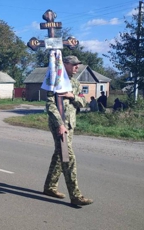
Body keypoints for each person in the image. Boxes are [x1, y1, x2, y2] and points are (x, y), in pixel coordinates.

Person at [43, 55, 93, 206]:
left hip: (70, 124)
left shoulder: (76, 83)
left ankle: (49, 187)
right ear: (64, 64)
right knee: (68, 156)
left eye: (78, 65)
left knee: (59, 155)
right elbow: (50, 105)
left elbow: (83, 102)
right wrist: (59, 124)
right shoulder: (54, 80)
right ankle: (76, 195)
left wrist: (72, 96)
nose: (77, 67)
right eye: (74, 64)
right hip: (60, 125)